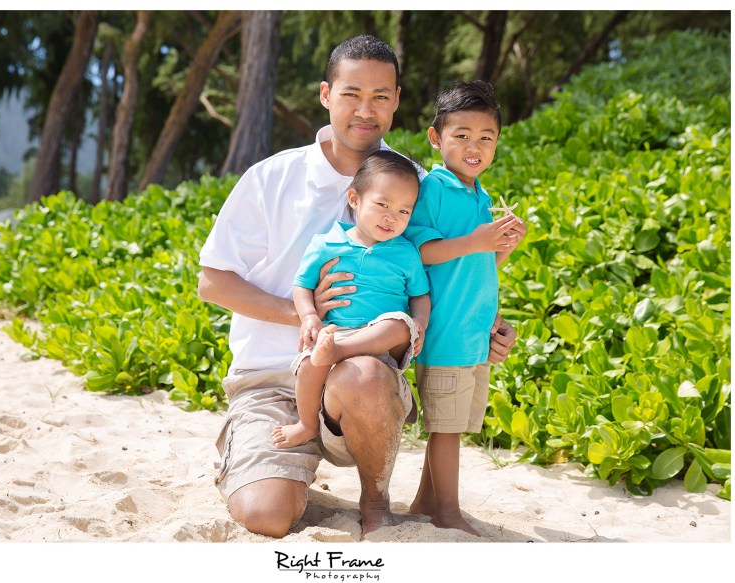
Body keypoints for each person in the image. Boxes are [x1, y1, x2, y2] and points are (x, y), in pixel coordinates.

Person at [198, 35, 518, 539]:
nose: (365, 110)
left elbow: (448, 270)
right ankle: (259, 460)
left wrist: (487, 326)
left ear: (396, 100)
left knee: (364, 373)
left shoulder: (418, 184)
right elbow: (211, 281)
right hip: (272, 380)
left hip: (365, 379)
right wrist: (304, 314)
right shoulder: (273, 176)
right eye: (351, 94)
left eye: (381, 96)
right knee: (268, 515)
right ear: (326, 94)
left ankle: (376, 501)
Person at [403, 80, 527, 536]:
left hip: (470, 329)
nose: (473, 147)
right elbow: (422, 252)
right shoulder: (432, 188)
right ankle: (448, 514)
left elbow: (474, 266)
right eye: (461, 135)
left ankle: (424, 503)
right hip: (445, 332)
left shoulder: (481, 197)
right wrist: (477, 239)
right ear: (436, 138)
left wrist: (503, 246)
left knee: (451, 425)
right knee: (447, 430)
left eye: (485, 137)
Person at [272, 151, 431, 449]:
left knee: (399, 323)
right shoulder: (325, 243)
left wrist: (420, 322)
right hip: (335, 334)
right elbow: (302, 285)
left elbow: (420, 295)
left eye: (403, 211)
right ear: (354, 199)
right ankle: (306, 424)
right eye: (382, 204)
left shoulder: (406, 252)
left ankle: (338, 352)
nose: (391, 217)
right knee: (309, 365)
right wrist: (309, 317)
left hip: (381, 341)